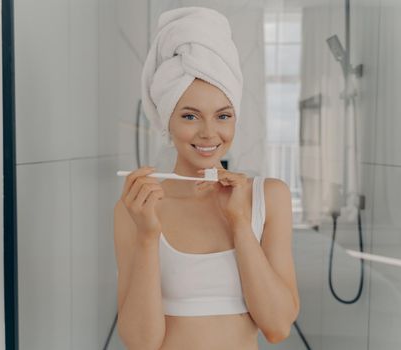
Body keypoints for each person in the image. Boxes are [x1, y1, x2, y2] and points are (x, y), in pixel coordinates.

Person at [114, 7, 299, 350]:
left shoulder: (269, 197)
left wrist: (241, 224)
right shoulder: (138, 209)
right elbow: (141, 343)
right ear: (167, 120)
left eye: (223, 115)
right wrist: (147, 236)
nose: (209, 133)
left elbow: (277, 327)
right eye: (189, 116)